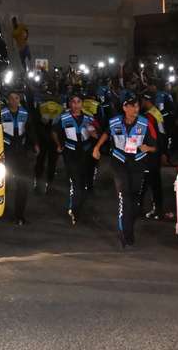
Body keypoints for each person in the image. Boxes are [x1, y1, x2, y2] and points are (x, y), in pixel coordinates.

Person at [93, 91, 157, 248]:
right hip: (119, 162)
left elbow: (155, 147)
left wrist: (146, 147)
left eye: (137, 106)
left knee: (134, 202)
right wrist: (97, 147)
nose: (136, 109)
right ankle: (124, 233)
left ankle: (129, 229)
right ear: (124, 107)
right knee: (124, 197)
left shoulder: (145, 123)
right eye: (132, 106)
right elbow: (106, 134)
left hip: (137, 164)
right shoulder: (114, 122)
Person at [53, 94, 99, 225]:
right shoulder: (63, 118)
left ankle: (82, 209)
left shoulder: (89, 119)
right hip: (70, 153)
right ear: (70, 104)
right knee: (76, 183)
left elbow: (99, 135)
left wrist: (93, 133)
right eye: (73, 102)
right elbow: (54, 131)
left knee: (85, 184)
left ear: (82, 104)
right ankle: (74, 211)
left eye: (79, 102)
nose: (76, 105)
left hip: (86, 153)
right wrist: (58, 145)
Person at [1, 91, 39, 225]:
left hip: (21, 153)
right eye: (11, 98)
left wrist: (35, 144)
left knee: (22, 185)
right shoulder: (1, 113)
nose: (14, 101)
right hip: (5, 152)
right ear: (7, 100)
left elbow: (31, 130)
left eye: (16, 98)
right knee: (3, 183)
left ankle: (19, 215)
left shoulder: (25, 113)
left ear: (20, 99)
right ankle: (0, 210)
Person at [139, 90, 167, 219]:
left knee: (149, 181)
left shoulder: (148, 117)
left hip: (150, 153)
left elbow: (147, 136)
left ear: (146, 101)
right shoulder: (157, 113)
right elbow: (163, 134)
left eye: (143, 101)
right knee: (151, 181)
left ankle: (155, 209)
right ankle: (154, 208)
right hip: (157, 151)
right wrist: (163, 152)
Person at [34, 95, 63, 195]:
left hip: (46, 140)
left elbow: (36, 125)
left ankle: (39, 184)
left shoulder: (41, 108)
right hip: (51, 141)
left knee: (41, 162)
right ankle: (47, 185)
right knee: (50, 164)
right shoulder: (60, 109)